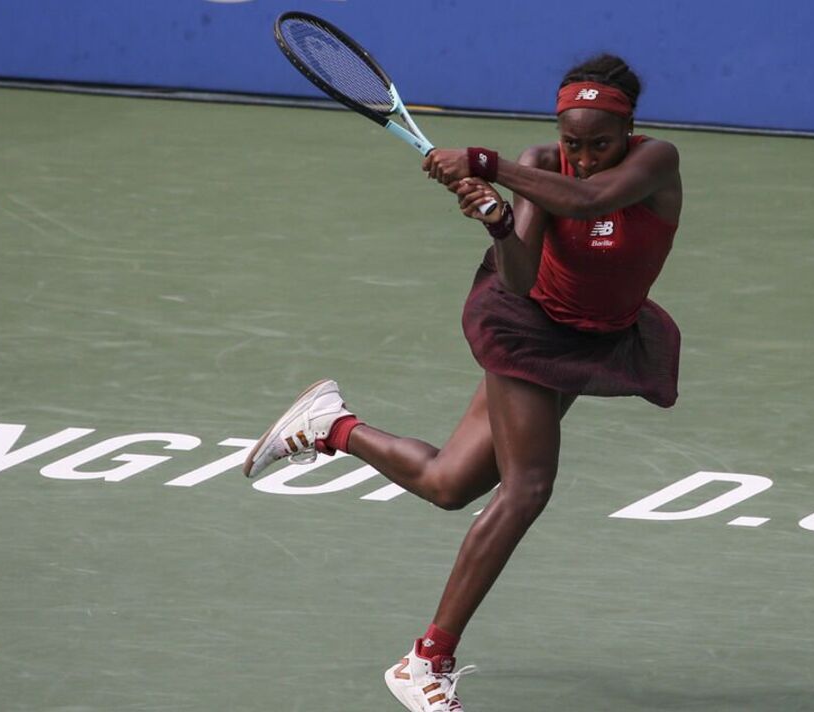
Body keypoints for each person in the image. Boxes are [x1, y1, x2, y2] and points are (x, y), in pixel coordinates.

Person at [243, 53, 683, 712]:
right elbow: (519, 278)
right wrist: (499, 220)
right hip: (529, 328)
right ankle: (426, 661)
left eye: (601, 144)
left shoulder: (658, 163)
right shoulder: (540, 162)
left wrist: (486, 166)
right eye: (573, 144)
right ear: (556, 134)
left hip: (595, 333)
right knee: (527, 488)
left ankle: (329, 425)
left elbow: (593, 199)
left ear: (629, 133)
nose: (585, 158)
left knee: (451, 485)